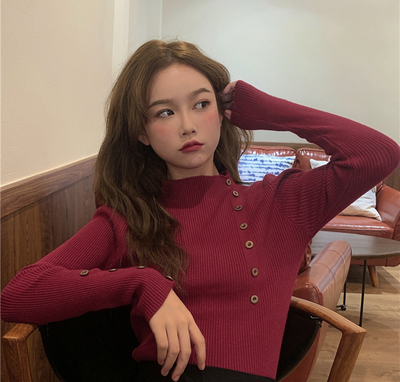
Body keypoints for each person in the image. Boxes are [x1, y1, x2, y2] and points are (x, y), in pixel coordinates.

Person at [1, 40, 399, 382]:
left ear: (222, 113)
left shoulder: (280, 204)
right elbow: (17, 295)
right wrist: (142, 283)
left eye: (201, 104)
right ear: (141, 132)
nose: (188, 125)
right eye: (165, 112)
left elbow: (378, 154)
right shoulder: (127, 219)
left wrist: (269, 111)